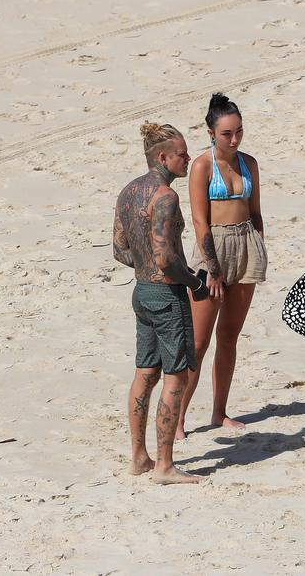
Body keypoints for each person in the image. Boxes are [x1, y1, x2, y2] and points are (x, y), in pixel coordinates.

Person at [113, 122, 208, 484]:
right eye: (182, 154)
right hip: (167, 295)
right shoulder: (165, 196)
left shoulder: (129, 191)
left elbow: (119, 248)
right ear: (163, 157)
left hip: (141, 291)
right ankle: (165, 466)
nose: (187, 159)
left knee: (144, 372)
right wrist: (194, 282)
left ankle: (139, 458)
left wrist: (145, 268)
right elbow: (167, 259)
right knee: (175, 376)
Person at [176, 93, 267, 439]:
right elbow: (200, 222)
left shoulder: (249, 163)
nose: (234, 139)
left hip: (244, 246)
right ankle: (179, 417)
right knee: (197, 344)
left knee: (229, 336)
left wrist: (258, 241)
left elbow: (255, 210)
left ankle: (219, 411)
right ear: (211, 132)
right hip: (211, 250)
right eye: (227, 133)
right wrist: (212, 269)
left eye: (238, 132)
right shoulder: (202, 166)